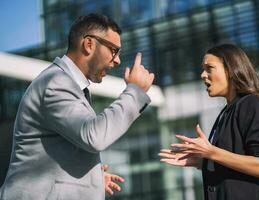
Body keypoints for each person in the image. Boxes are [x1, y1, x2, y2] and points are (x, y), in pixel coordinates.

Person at [0, 13, 154, 200]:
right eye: (114, 50)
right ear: (89, 44)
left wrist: (91, 180)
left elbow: (63, 149)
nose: (117, 60)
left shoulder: (67, 84)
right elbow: (93, 136)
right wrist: (134, 92)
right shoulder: (55, 83)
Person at [159, 44, 259, 200]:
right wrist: (203, 161)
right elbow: (230, 160)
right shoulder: (227, 111)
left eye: (209, 68)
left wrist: (211, 153)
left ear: (231, 70)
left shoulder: (252, 103)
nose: (203, 74)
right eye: (203, 69)